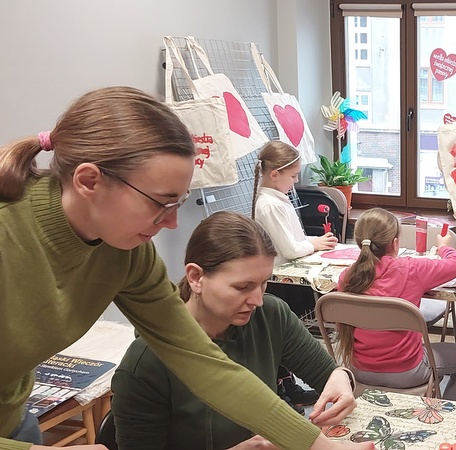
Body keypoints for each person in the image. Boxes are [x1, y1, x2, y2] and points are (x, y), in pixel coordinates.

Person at [0, 86, 372, 450]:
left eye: (178, 203)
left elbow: (205, 363)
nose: (173, 223)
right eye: (160, 203)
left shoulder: (127, 252)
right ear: (88, 181)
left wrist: (321, 446)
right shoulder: (10, 239)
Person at [112, 211, 358, 450]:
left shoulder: (270, 316)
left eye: (263, 283)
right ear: (196, 277)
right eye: (242, 287)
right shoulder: (145, 362)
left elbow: (327, 374)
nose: (257, 300)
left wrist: (341, 378)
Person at [336, 208, 456, 401]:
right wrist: (444, 247)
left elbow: (342, 325)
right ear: (395, 243)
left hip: (358, 370)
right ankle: (446, 413)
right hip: (407, 371)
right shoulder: (411, 269)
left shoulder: (347, 277)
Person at [251, 141, 339, 411]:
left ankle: (289, 385)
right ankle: (281, 389)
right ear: (274, 174)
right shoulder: (268, 205)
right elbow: (289, 249)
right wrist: (315, 244)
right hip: (278, 280)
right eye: (292, 176)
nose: (296, 181)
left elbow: (293, 239)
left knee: (284, 338)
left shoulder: (278, 199)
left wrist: (315, 241)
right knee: (279, 339)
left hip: (287, 275)